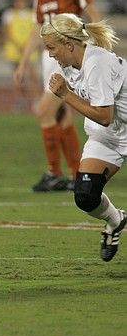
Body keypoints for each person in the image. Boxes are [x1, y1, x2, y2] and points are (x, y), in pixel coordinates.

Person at [13, 0, 100, 192]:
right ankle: (75, 174)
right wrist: (22, 62)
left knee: (44, 111)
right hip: (48, 58)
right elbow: (36, 29)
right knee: (61, 116)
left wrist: (96, 46)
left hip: (68, 58)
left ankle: (53, 173)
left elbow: (92, 14)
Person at [43, 13, 126, 261]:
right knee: (86, 195)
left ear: (69, 44)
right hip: (107, 135)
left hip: (108, 123)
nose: (50, 54)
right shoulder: (67, 64)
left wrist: (65, 95)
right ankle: (116, 220)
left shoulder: (96, 62)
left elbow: (103, 115)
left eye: (52, 47)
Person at [2, 0, 40, 111]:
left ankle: (36, 100)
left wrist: (28, 44)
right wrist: (18, 44)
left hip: (28, 48)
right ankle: (19, 100)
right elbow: (7, 33)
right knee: (17, 76)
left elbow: (35, 31)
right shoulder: (9, 14)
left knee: (32, 76)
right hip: (14, 49)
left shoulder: (32, 14)